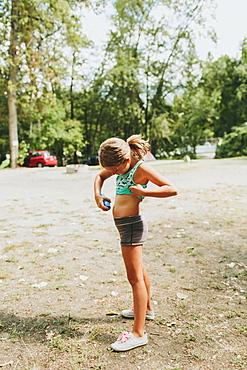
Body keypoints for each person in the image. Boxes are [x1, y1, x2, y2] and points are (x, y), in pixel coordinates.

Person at [94, 134, 178, 352]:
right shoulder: (117, 166)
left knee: (134, 278)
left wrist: (145, 192)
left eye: (115, 170)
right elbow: (99, 177)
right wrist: (97, 195)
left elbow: (171, 188)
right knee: (139, 270)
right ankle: (147, 309)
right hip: (125, 226)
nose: (112, 173)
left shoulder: (141, 169)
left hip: (132, 225)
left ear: (126, 160)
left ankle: (138, 334)